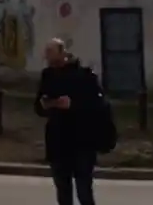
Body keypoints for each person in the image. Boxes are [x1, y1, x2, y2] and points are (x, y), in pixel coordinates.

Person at [34, 38, 104, 205]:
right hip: (57, 142)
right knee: (63, 191)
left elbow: (97, 105)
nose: (48, 57)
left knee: (84, 190)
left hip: (82, 142)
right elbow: (38, 105)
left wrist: (73, 105)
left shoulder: (83, 75)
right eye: (46, 54)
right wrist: (45, 105)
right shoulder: (47, 76)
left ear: (62, 53)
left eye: (51, 53)